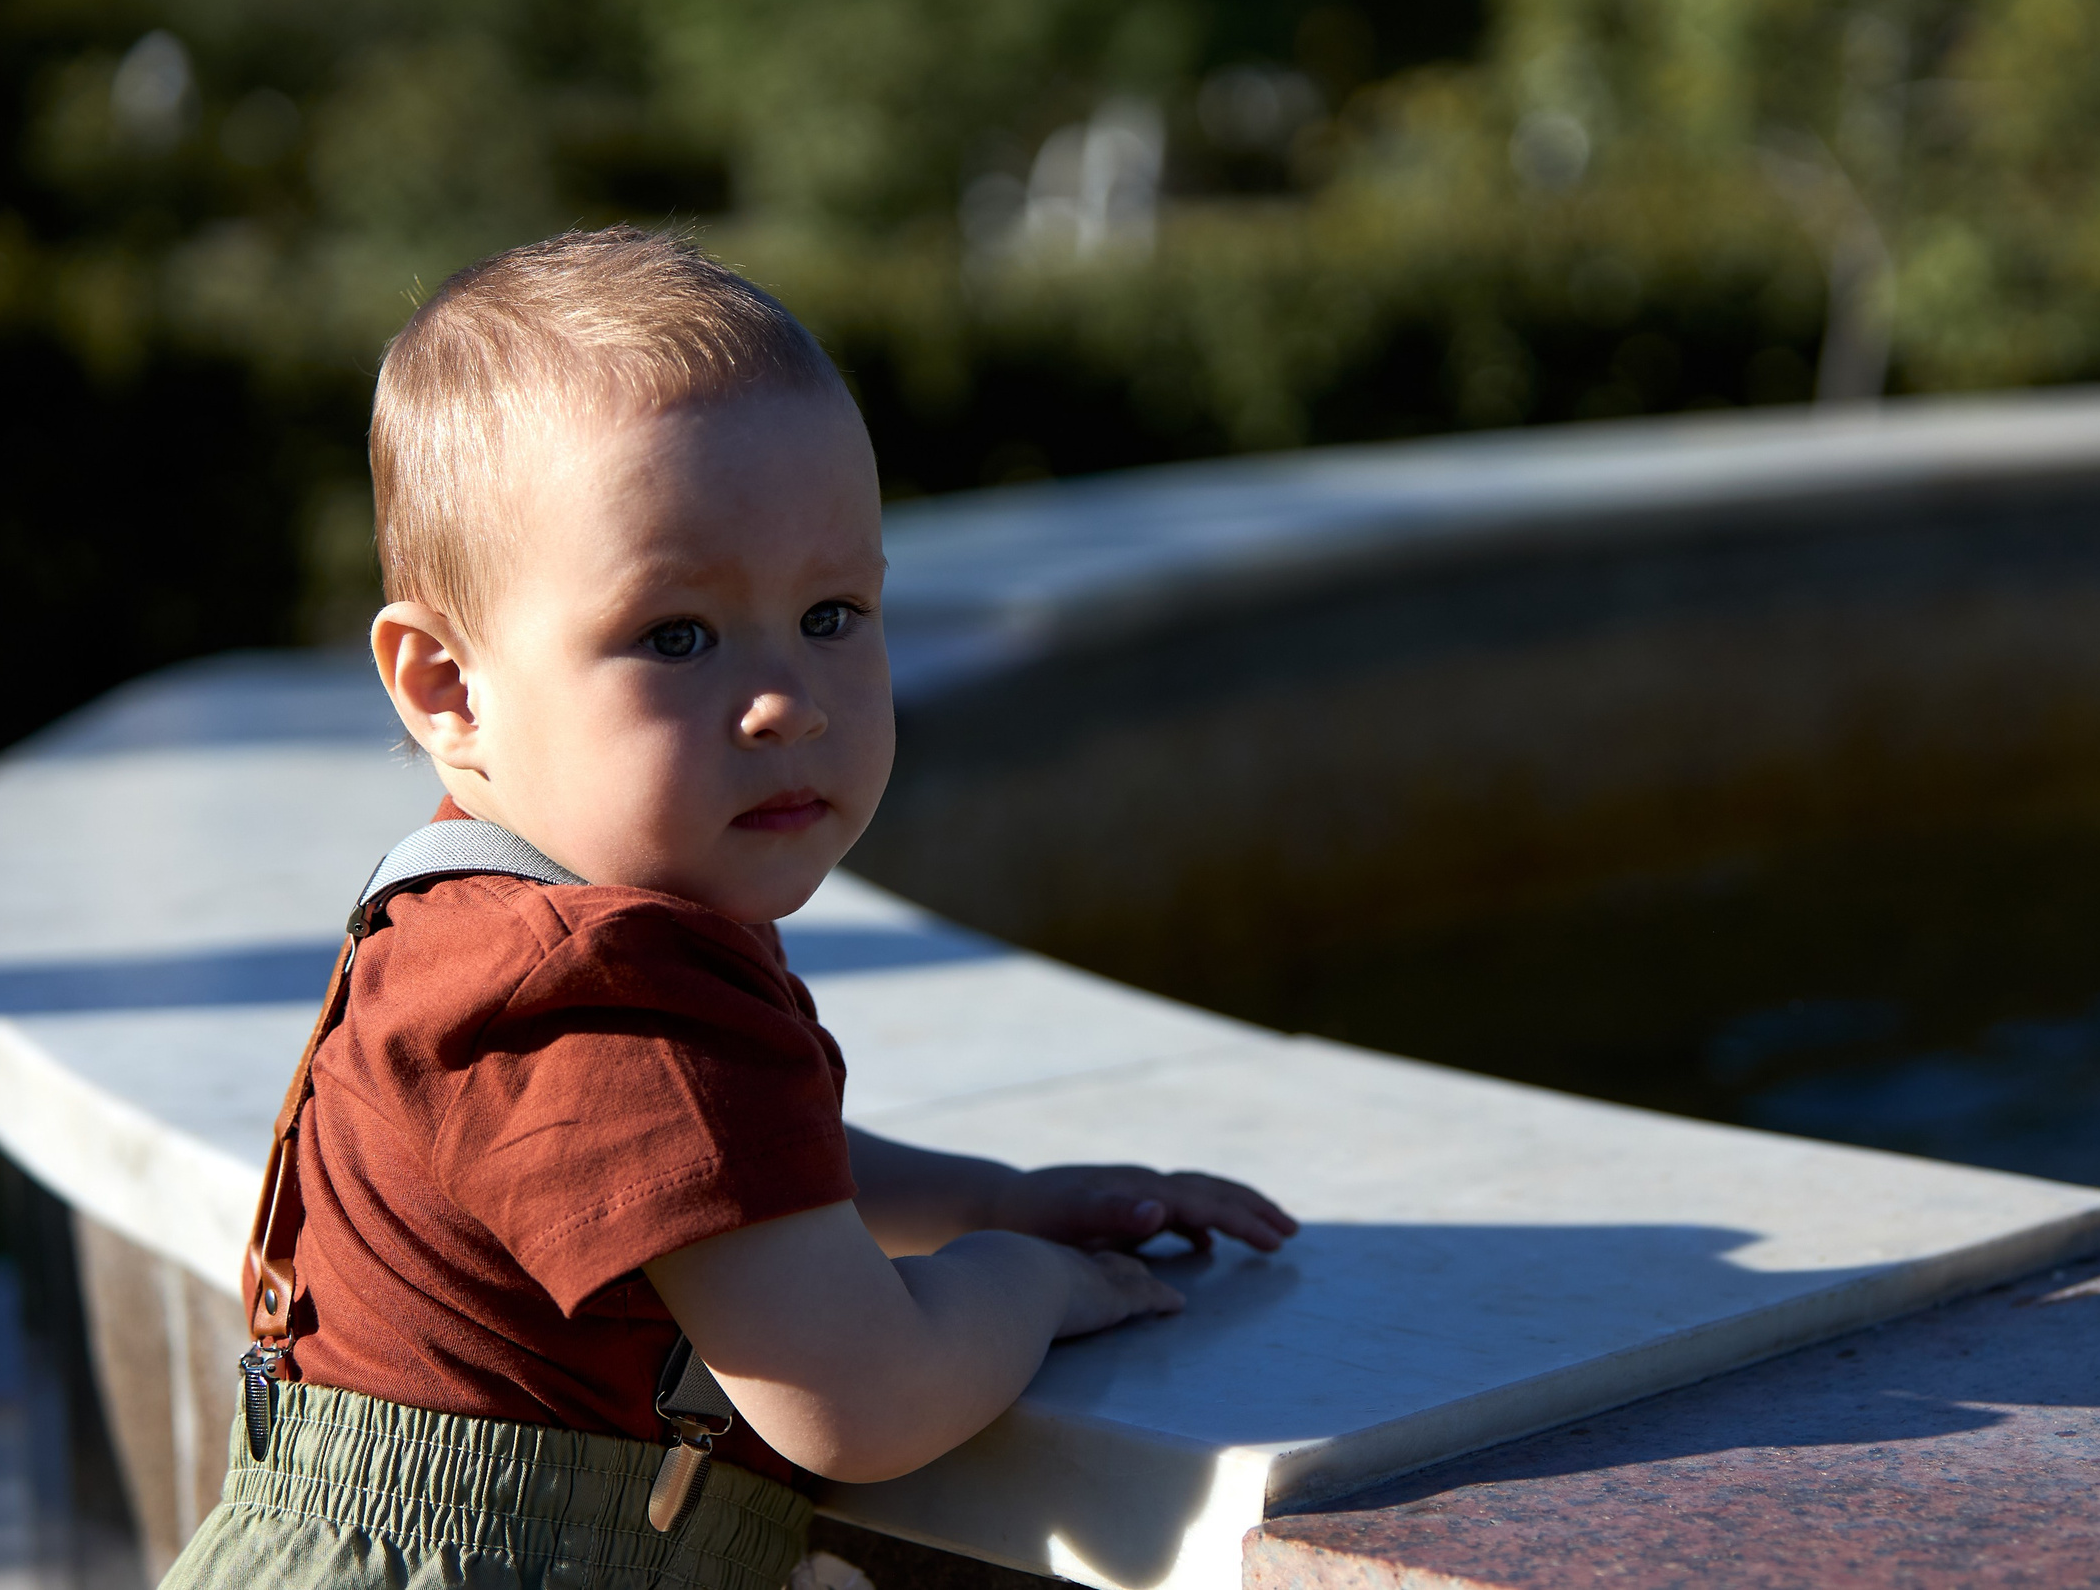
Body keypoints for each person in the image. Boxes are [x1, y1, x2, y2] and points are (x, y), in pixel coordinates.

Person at [162, 226, 1298, 1590]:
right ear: (448, 688)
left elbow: (731, 1178)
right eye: (678, 637)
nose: (789, 702)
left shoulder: (500, 912)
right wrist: (1024, 1280)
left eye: (833, 614)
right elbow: (860, 1401)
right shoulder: (586, 987)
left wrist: (988, 1195)